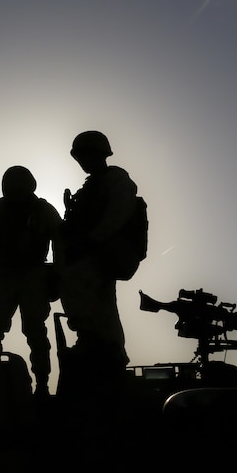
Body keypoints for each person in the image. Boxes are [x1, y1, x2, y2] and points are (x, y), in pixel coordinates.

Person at [57, 130, 138, 397]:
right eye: (79, 156)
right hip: (82, 260)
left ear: (101, 154)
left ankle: (109, 356)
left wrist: (94, 240)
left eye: (86, 154)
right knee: (86, 312)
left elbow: (120, 211)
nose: (82, 160)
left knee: (103, 314)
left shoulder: (115, 179)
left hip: (98, 258)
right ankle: (92, 347)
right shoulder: (89, 187)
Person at [0, 165, 62, 398]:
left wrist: (59, 275)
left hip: (33, 274)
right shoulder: (0, 208)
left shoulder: (43, 210)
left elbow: (61, 240)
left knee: (34, 330)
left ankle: (41, 383)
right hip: (6, 274)